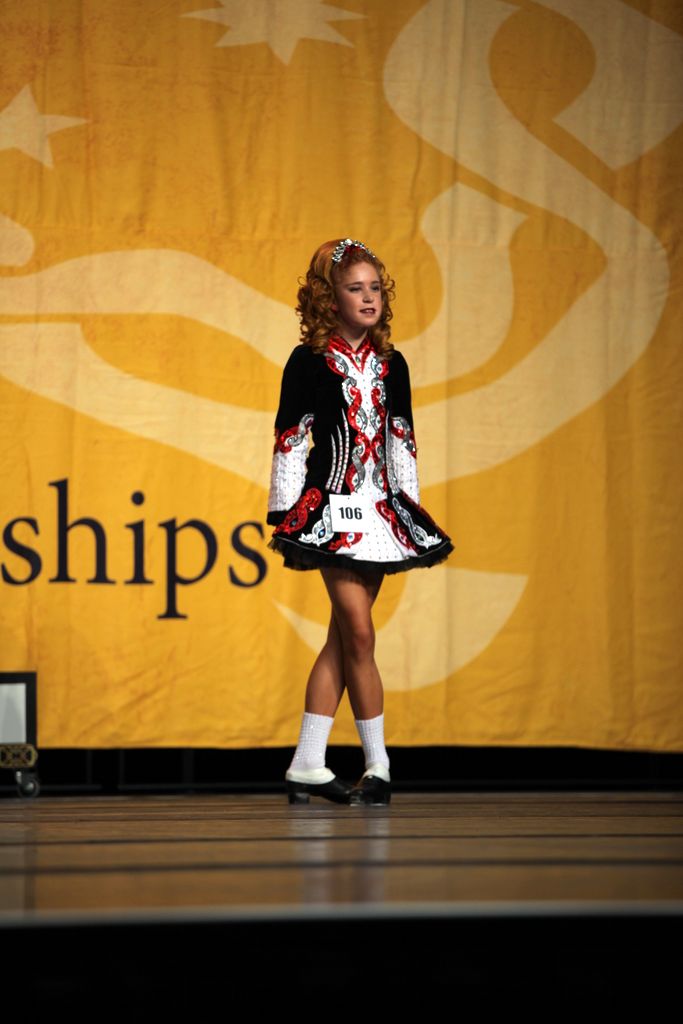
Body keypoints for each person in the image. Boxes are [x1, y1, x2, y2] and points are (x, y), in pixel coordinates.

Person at [267, 238, 453, 806]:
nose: (369, 297)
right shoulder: (308, 361)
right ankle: (379, 763)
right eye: (355, 288)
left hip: (381, 512)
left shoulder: (393, 364)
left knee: (343, 639)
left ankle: (310, 763)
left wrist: (409, 506)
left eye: (375, 287)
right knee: (361, 633)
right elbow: (291, 435)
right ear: (330, 299)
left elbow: (402, 438)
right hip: (331, 510)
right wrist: (285, 510)